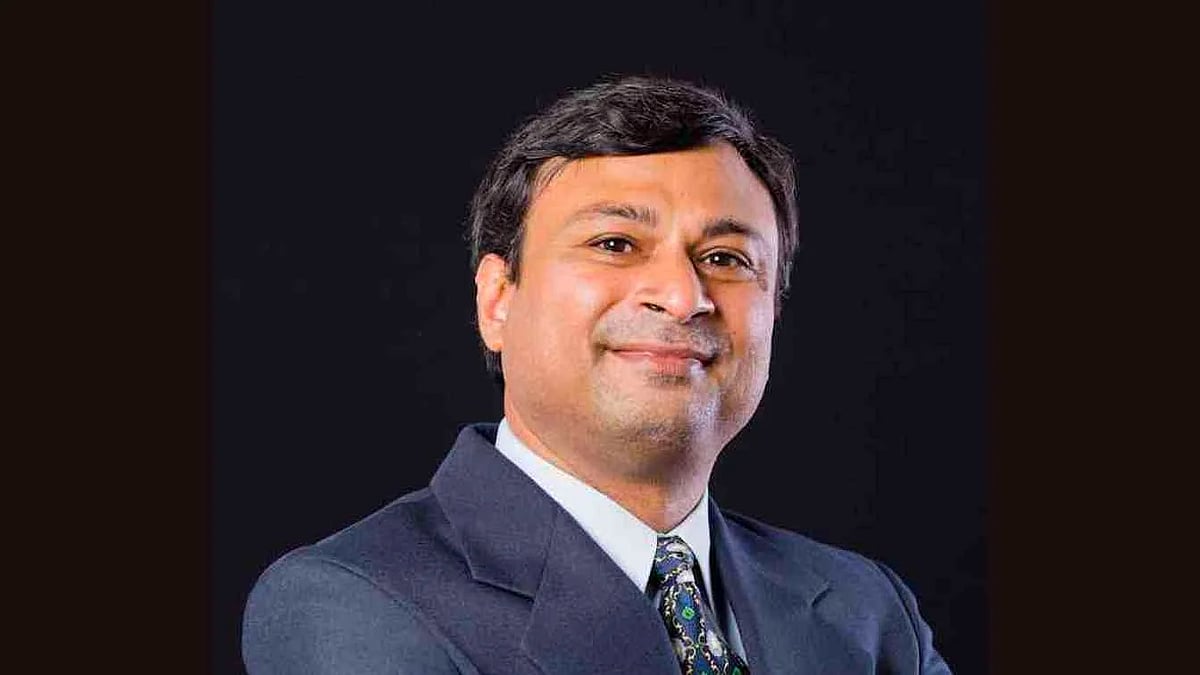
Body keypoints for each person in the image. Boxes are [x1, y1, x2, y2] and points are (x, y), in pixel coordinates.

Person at [242, 75, 952, 674]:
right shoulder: (354, 602)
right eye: (615, 243)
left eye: (726, 259)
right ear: (497, 301)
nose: (682, 295)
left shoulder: (868, 612)